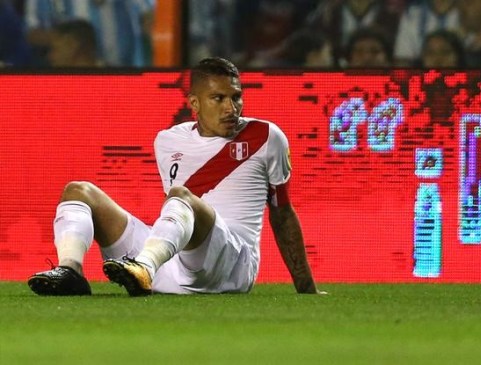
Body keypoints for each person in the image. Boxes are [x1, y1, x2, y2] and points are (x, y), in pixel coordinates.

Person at [27, 57, 323, 296]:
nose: (230, 108)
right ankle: (71, 271)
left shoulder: (266, 136)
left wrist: (306, 287)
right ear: (194, 103)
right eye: (218, 98)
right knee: (78, 191)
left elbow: (282, 212)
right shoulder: (167, 141)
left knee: (181, 196)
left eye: (236, 97)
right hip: (171, 262)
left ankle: (143, 267)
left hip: (232, 266)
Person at [24, 0, 154, 67]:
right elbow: (31, 31)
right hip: (69, 79)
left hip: (124, 75)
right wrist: (67, 39)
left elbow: (153, 16)